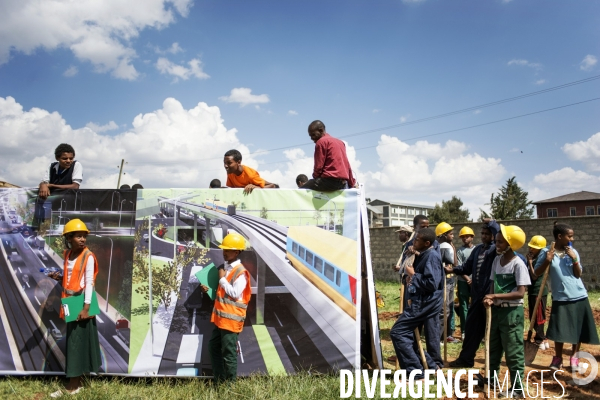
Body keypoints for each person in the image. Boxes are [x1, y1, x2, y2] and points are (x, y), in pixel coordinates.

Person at [534, 223, 599, 370]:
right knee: (560, 330)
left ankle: (574, 358)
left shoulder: (572, 251)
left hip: (579, 295)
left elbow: (578, 274)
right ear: (559, 236)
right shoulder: (546, 252)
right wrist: (547, 261)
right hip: (561, 297)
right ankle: (557, 359)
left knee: (578, 329)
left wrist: (575, 259)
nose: (572, 238)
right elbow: (536, 273)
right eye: (569, 236)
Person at [49, 219, 100, 397]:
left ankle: (72, 387)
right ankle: (77, 383)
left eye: (84, 236)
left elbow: (89, 283)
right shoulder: (68, 254)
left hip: (80, 304)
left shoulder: (88, 256)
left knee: (75, 344)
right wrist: (59, 278)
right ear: (69, 238)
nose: (82, 239)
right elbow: (71, 278)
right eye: (78, 236)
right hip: (70, 302)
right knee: (75, 343)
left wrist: (85, 308)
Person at [483, 224, 529, 398]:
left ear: (510, 245)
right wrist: (490, 298)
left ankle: (517, 389)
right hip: (497, 311)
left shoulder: (518, 264)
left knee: (513, 352)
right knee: (493, 347)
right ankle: (492, 379)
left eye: (500, 242)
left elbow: (520, 292)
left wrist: (494, 295)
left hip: (512, 313)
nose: (497, 245)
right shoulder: (497, 260)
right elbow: (493, 284)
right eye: (496, 242)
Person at [390, 228, 444, 377]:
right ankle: (432, 366)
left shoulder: (432, 256)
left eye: (417, 240)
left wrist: (413, 275)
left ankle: (416, 373)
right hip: (420, 301)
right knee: (409, 335)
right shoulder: (424, 254)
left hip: (425, 303)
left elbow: (432, 283)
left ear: (427, 243)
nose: (414, 242)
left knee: (398, 332)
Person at [448, 219, 499, 368]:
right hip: (476, 296)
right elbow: (467, 267)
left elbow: (498, 232)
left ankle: (491, 366)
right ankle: (466, 359)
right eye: (482, 233)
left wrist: (493, 223)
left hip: (490, 296)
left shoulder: (495, 250)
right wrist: (452, 270)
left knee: (490, 332)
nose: (484, 236)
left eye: (487, 234)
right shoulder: (478, 250)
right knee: (471, 329)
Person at [200, 233, 252, 382]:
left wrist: (222, 279)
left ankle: (229, 387)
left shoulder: (241, 273)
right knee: (214, 347)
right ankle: (219, 380)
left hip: (231, 321)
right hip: (221, 319)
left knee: (229, 354)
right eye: (224, 249)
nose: (224, 252)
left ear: (237, 252)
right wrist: (208, 289)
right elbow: (223, 293)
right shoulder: (225, 268)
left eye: (228, 250)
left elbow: (235, 294)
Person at [302, 120, 356, 191]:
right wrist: (352, 183)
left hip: (329, 182)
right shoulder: (340, 143)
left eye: (313, 135)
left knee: (301, 190)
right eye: (310, 136)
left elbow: (318, 167)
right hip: (342, 183)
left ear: (321, 130)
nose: (311, 138)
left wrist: (315, 179)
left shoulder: (321, 142)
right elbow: (347, 165)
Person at [526, 235, 549, 350]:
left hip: (538, 291)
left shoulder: (541, 260)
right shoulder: (534, 259)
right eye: (530, 247)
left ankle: (540, 339)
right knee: (533, 316)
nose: (531, 250)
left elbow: (534, 276)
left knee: (538, 316)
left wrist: (529, 262)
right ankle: (543, 337)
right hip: (532, 291)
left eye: (534, 248)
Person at [436, 222, 458, 343]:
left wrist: (453, 247)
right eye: (450, 233)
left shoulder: (448, 245)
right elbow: (453, 263)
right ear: (443, 235)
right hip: (443, 280)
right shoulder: (442, 247)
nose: (453, 235)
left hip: (449, 280)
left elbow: (454, 264)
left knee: (449, 307)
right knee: (443, 309)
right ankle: (440, 337)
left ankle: (447, 334)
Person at [455, 226, 475, 339]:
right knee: (463, 306)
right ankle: (464, 330)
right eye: (463, 237)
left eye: (467, 236)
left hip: (475, 282)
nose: (465, 239)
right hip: (463, 281)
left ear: (472, 237)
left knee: (476, 305)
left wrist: (474, 280)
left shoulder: (476, 250)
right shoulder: (460, 251)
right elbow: (459, 267)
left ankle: (475, 330)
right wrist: (468, 279)